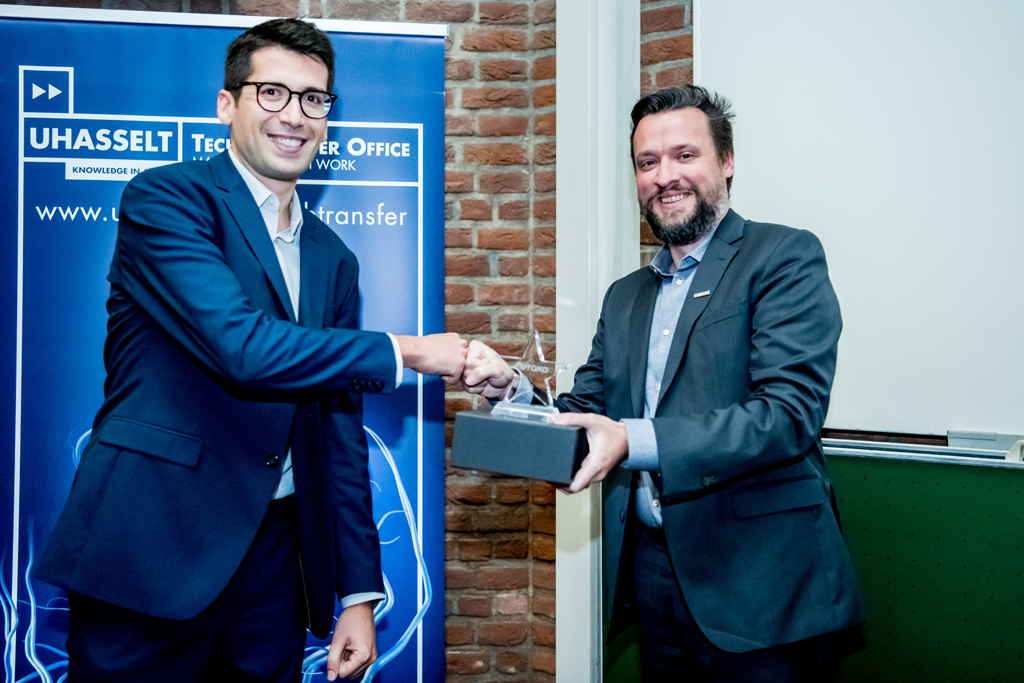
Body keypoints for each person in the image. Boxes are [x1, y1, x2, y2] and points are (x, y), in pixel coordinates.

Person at [35, 18, 465, 683]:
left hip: (276, 563)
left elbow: (337, 433)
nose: (294, 115)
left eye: (314, 99)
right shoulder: (166, 199)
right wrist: (408, 352)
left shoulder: (333, 257)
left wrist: (358, 593)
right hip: (151, 544)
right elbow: (241, 347)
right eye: (272, 93)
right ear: (226, 104)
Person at [463, 85, 867, 681]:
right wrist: (513, 391)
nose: (664, 176)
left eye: (685, 155)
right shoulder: (625, 296)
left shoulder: (783, 256)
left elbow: (787, 415)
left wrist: (632, 439)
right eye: (647, 162)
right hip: (653, 573)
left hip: (765, 584)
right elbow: (586, 410)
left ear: (727, 161)